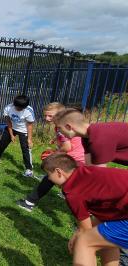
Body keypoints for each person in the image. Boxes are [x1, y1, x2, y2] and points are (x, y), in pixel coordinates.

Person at [54, 108, 128, 265]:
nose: (59, 134)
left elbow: (99, 181)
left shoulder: (100, 138)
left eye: (59, 129)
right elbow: (88, 171)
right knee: (97, 233)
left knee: (86, 240)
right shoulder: (89, 137)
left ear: (69, 126)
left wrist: (82, 229)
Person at [42, 153, 128, 266]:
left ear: (58, 172)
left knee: (84, 241)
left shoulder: (72, 191)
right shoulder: (86, 172)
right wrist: (79, 231)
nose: (49, 179)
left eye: (48, 174)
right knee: (103, 237)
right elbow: (101, 219)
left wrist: (77, 236)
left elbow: (86, 229)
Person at [17, 103, 85, 212]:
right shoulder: (65, 123)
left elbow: (67, 147)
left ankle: (29, 202)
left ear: (60, 114)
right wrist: (55, 140)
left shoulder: (60, 127)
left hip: (74, 159)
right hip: (81, 158)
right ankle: (89, 212)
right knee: (70, 185)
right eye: (45, 116)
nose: (47, 118)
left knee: (51, 178)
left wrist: (53, 154)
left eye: (50, 116)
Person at [0, 95, 35, 178]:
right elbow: (8, 121)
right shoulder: (8, 108)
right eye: (17, 107)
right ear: (14, 104)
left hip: (24, 131)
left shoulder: (29, 111)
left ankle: (29, 170)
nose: (18, 109)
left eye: (21, 108)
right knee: (2, 143)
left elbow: (30, 125)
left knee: (26, 149)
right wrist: (11, 135)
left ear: (25, 107)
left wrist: (29, 139)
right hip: (12, 128)